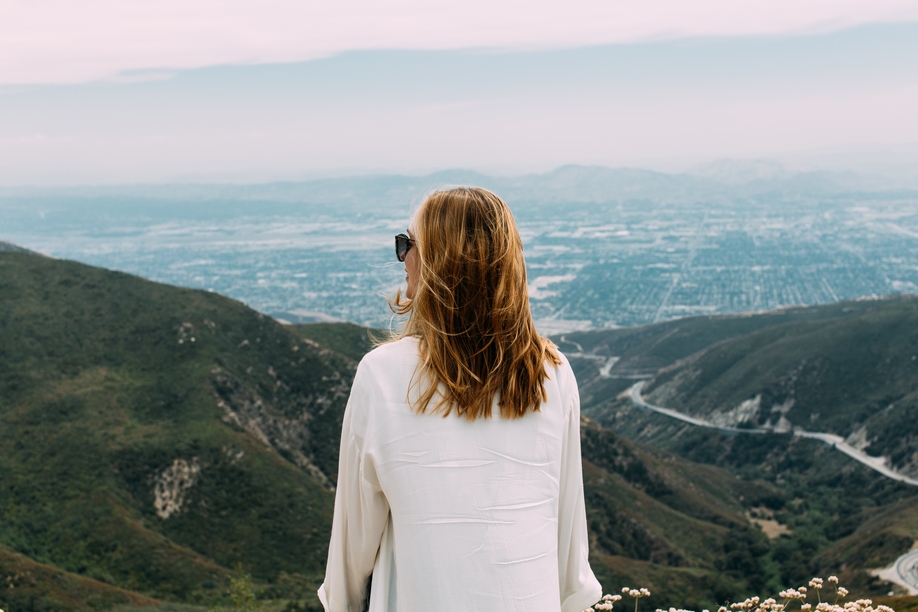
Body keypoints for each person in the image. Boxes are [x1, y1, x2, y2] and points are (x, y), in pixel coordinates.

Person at [318, 187, 601, 612]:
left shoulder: (381, 376)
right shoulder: (552, 374)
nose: (402, 258)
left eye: (407, 244)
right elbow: (569, 555)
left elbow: (351, 553)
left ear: (436, 263)